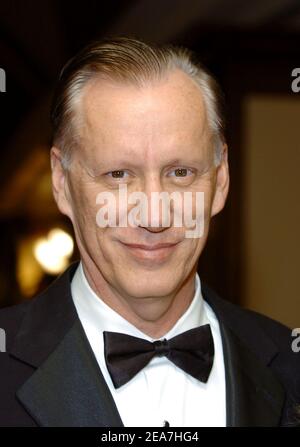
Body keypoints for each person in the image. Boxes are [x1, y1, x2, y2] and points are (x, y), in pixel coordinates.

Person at [0, 37, 299, 427]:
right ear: (61, 183)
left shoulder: (289, 366)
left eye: (180, 173)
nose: (154, 215)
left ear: (221, 179)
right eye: (118, 175)